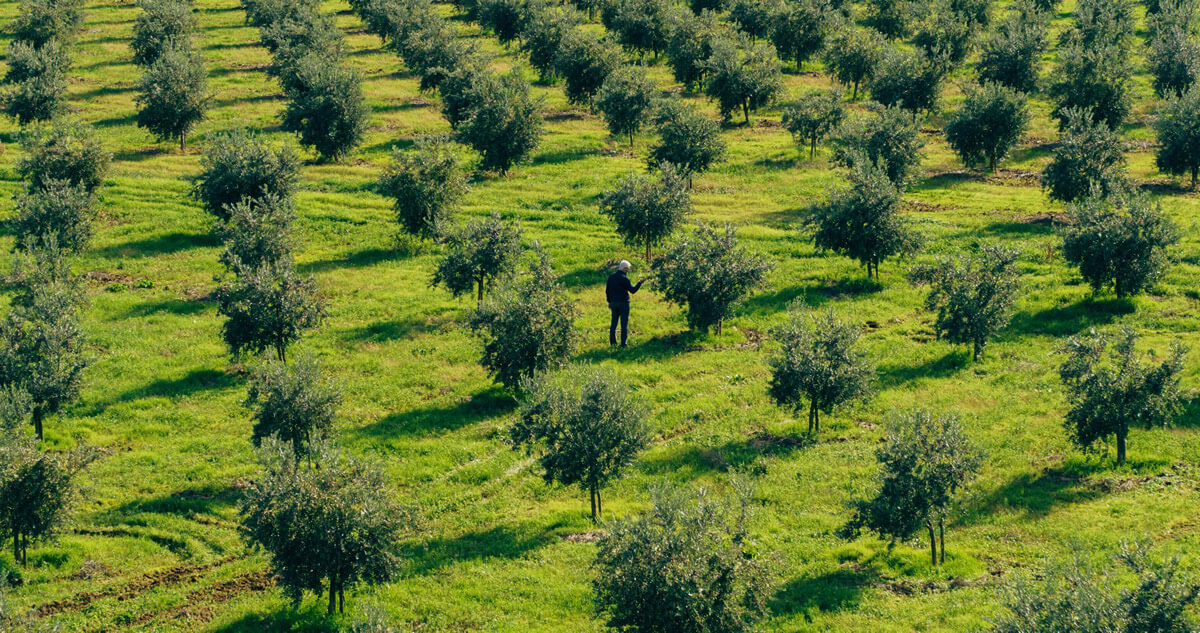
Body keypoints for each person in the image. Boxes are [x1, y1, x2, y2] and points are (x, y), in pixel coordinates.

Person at [606, 260, 644, 347]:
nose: (628, 271)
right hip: (623, 303)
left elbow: (607, 291)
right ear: (624, 268)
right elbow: (633, 290)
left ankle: (613, 343)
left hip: (614, 303)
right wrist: (639, 283)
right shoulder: (624, 278)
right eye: (628, 269)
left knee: (613, 324)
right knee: (624, 325)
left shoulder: (611, 277)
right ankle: (623, 344)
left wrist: (609, 302)